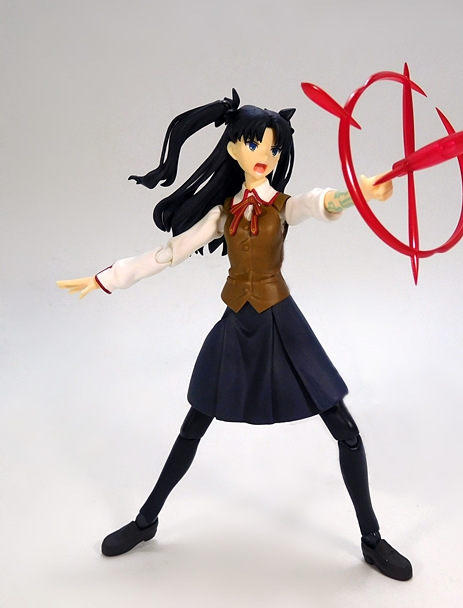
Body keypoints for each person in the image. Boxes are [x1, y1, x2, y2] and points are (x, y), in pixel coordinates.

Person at [57, 90, 412, 581]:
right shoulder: (223, 213)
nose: (264, 154)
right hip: (236, 325)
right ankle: (146, 521)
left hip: (282, 323)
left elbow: (317, 203)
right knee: (194, 423)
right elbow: (170, 253)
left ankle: (371, 539)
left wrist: (358, 192)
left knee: (343, 427)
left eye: (272, 147)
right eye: (253, 144)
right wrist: (107, 278)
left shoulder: (282, 206)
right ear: (232, 149)